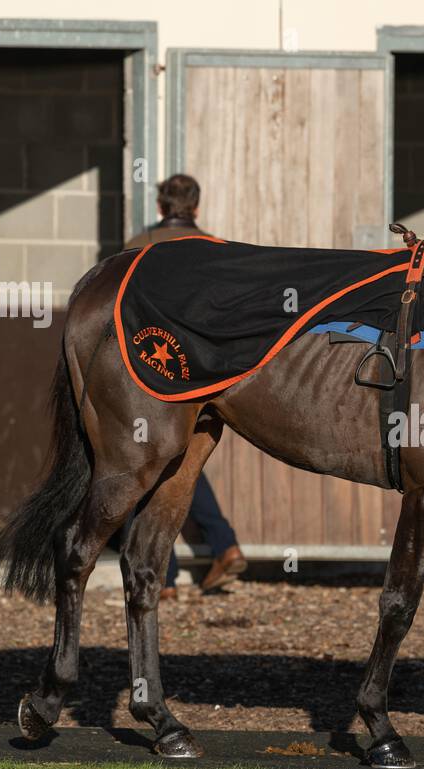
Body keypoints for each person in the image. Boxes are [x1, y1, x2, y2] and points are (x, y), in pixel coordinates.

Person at [124, 174, 247, 600]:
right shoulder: (215, 251)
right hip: (199, 375)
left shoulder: (135, 247)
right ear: (195, 206)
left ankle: (163, 576)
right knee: (184, 464)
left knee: (141, 466)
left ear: (161, 206)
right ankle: (224, 543)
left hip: (147, 371)